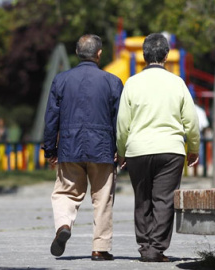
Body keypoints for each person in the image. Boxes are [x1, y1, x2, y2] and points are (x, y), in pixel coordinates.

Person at [116, 33, 200, 262]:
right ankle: (156, 249)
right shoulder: (177, 82)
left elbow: (123, 123)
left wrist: (121, 151)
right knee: (164, 200)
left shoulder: (132, 83)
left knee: (142, 199)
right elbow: (191, 121)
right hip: (170, 150)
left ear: (143, 57)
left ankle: (145, 247)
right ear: (166, 55)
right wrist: (193, 147)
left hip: (138, 150)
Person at [43, 34, 123, 260]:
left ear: (77, 53)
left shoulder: (61, 80)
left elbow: (51, 117)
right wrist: (120, 149)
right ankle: (100, 248)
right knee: (103, 198)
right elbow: (120, 119)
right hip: (103, 148)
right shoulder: (112, 81)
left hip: (69, 146)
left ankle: (63, 225)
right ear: (99, 54)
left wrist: (50, 149)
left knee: (65, 193)